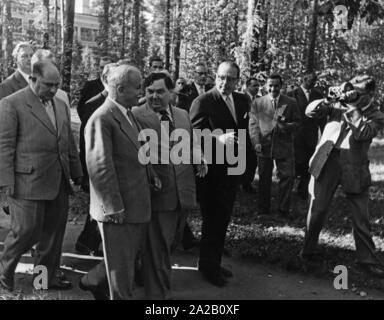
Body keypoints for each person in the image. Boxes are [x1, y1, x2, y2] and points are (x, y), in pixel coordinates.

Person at [0, 61, 83, 291]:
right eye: (48, 85)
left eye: (57, 85)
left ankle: (42, 281)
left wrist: (77, 173)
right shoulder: (11, 104)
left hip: (58, 181)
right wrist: (5, 186)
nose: (54, 90)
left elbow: (67, 142)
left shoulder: (60, 104)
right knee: (25, 232)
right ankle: (3, 274)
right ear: (33, 79)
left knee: (52, 238)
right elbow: (4, 147)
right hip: (26, 183)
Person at [84, 64, 161, 300]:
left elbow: (136, 151)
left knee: (122, 260)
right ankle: (98, 285)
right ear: (119, 88)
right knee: (121, 274)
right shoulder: (102, 118)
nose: (142, 92)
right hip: (118, 209)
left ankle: (92, 282)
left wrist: (151, 174)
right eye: (137, 88)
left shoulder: (127, 113)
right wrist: (113, 206)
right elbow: (100, 167)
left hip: (135, 203)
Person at [300, 76, 384, 277]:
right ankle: (307, 251)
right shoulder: (337, 105)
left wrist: (353, 108)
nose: (351, 94)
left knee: (360, 216)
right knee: (316, 209)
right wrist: (328, 100)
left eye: (358, 92)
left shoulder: (376, 114)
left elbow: (362, 134)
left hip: (354, 166)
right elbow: (309, 112)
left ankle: (366, 260)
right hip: (327, 161)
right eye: (351, 90)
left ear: (370, 94)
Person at [133, 72, 207, 299]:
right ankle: (158, 296)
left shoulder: (182, 115)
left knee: (171, 242)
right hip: (157, 192)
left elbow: (191, 142)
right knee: (159, 247)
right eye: (149, 91)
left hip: (183, 191)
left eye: (160, 91)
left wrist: (199, 157)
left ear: (172, 92)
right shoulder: (135, 115)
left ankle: (138, 276)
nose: (154, 96)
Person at [190, 61, 249, 287]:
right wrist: (216, 138)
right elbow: (191, 134)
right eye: (222, 77)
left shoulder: (243, 100)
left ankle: (213, 262)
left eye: (231, 79)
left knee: (223, 219)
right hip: (211, 173)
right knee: (212, 219)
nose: (225, 83)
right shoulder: (203, 101)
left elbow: (244, 132)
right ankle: (208, 267)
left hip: (233, 171)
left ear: (237, 80)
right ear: (216, 77)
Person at [75, 62, 118, 256]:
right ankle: (87, 241)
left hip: (109, 164)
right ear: (104, 79)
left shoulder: (119, 101)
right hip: (94, 164)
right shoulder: (94, 103)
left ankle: (87, 241)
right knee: (99, 204)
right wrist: (84, 171)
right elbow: (87, 142)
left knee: (100, 204)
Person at [249, 73, 301, 216]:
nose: (273, 89)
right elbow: (253, 125)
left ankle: (283, 209)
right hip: (264, 146)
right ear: (266, 86)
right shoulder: (258, 102)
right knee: (264, 178)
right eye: (270, 85)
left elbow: (298, 123)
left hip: (284, 145)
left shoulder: (290, 102)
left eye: (276, 85)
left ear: (281, 86)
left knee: (288, 177)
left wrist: (286, 126)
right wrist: (256, 142)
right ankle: (263, 209)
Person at [288, 72, 324, 200]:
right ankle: (294, 185)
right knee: (299, 161)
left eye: (314, 81)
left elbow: (322, 116)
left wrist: (323, 132)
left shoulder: (318, 96)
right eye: (310, 80)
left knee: (310, 161)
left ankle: (304, 190)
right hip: (296, 135)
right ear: (303, 79)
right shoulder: (292, 95)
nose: (313, 83)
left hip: (311, 134)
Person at [241, 77, 260, 194]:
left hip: (255, 134)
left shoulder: (260, 99)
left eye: (258, 86)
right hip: (243, 132)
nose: (257, 88)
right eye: (254, 86)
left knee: (253, 160)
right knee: (243, 159)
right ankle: (241, 183)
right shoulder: (241, 98)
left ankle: (248, 183)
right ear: (247, 86)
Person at [77, 56, 111, 121]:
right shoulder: (90, 85)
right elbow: (81, 108)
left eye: (107, 67)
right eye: (102, 67)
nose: (104, 70)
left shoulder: (116, 87)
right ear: (99, 68)